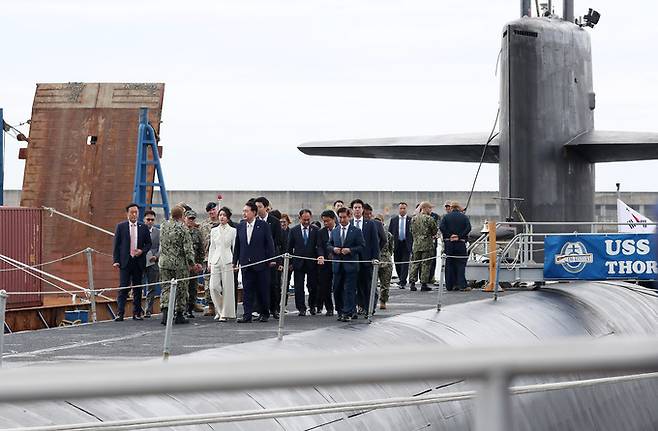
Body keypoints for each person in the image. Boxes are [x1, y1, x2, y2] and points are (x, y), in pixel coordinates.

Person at [233, 201, 277, 323]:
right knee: (247, 290)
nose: (244, 213)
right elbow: (238, 245)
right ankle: (247, 315)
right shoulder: (241, 226)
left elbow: (269, 243)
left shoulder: (263, 225)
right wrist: (235, 261)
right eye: (243, 211)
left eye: (246, 211)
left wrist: (272, 259)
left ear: (253, 212)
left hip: (261, 264)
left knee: (262, 290)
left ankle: (264, 313)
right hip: (246, 264)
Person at [158, 206, 198, 325]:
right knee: (181, 289)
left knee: (166, 288)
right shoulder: (182, 228)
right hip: (179, 265)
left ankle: (165, 315)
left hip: (164, 263)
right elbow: (188, 249)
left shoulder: (163, 226)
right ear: (182, 216)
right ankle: (179, 314)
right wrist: (192, 263)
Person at [112, 203, 152, 322]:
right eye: (132, 212)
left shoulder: (143, 227)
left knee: (138, 288)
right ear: (127, 214)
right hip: (125, 261)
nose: (134, 214)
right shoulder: (121, 226)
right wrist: (116, 260)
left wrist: (142, 251)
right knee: (123, 287)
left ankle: (137, 313)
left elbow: (148, 244)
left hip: (138, 262)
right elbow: (116, 245)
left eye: (136, 212)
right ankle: (120, 313)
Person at [327, 207, 364, 322]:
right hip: (337, 265)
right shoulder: (335, 231)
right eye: (340, 217)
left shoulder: (356, 231)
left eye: (344, 217)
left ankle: (347, 312)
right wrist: (334, 249)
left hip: (351, 265)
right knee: (337, 288)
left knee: (349, 290)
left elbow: (362, 246)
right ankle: (340, 310)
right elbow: (328, 245)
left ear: (349, 217)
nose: (342, 220)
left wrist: (350, 250)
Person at [254, 196, 284, 319]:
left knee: (273, 284)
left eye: (260, 207)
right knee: (259, 285)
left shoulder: (275, 221)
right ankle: (260, 310)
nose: (258, 209)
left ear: (266, 207)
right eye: (256, 207)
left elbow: (278, 241)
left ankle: (274, 309)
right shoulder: (254, 221)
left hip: (271, 258)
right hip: (258, 259)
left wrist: (277, 260)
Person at [350, 199, 380, 317]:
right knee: (354, 286)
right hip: (353, 260)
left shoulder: (370, 224)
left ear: (362, 209)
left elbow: (375, 243)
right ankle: (357, 307)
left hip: (367, 260)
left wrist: (375, 258)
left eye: (359, 207)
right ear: (352, 210)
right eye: (355, 207)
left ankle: (369, 308)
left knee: (368, 285)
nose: (357, 209)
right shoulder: (349, 223)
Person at [287, 209, 320, 316]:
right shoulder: (294, 230)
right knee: (298, 287)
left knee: (313, 286)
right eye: (304, 219)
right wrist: (290, 263)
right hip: (298, 263)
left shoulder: (315, 230)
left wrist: (320, 256)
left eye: (308, 220)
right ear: (300, 218)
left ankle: (312, 305)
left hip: (312, 263)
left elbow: (318, 246)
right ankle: (301, 308)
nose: (306, 222)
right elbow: (289, 248)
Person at [208, 206, 237, 321]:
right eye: (220, 215)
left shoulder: (233, 231)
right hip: (215, 260)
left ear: (228, 218)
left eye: (224, 215)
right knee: (213, 287)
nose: (222, 217)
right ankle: (219, 310)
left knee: (228, 288)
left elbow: (235, 248)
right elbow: (212, 247)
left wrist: (236, 262)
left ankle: (225, 313)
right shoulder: (213, 231)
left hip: (228, 260)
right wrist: (210, 262)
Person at [440, 201, 472, 291]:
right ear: (458, 207)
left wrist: (450, 235)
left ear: (451, 207)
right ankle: (462, 285)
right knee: (461, 264)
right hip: (460, 243)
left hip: (449, 244)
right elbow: (468, 228)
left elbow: (441, 227)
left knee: (449, 264)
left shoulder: (446, 217)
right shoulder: (464, 217)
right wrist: (459, 236)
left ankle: (450, 285)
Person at [408, 201, 438, 292]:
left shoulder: (413, 219)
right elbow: (434, 231)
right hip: (427, 245)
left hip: (416, 244)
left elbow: (411, 230)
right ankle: (423, 284)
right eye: (430, 208)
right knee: (426, 264)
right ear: (425, 208)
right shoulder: (429, 219)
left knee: (415, 263)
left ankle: (412, 283)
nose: (431, 210)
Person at [200, 201, 221, 317]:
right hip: (207, 258)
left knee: (219, 284)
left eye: (214, 209)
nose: (212, 212)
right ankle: (211, 307)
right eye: (210, 210)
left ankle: (220, 307)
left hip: (220, 257)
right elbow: (201, 243)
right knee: (208, 284)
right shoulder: (204, 225)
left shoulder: (222, 222)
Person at [184, 210, 204, 318]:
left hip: (194, 266)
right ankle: (182, 308)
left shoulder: (197, 233)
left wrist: (199, 263)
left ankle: (190, 309)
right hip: (183, 265)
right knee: (183, 288)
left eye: (193, 219)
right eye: (189, 218)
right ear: (185, 219)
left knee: (192, 288)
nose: (191, 221)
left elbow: (201, 250)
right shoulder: (181, 231)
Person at [316, 210, 336, 315]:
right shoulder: (321, 232)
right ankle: (329, 308)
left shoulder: (339, 230)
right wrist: (321, 255)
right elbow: (319, 246)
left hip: (338, 262)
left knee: (338, 286)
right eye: (324, 221)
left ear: (333, 219)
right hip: (325, 264)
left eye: (327, 221)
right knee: (325, 286)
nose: (325, 223)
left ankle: (341, 307)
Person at [388, 202, 413, 289]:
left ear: (406, 209)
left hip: (406, 244)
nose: (402, 210)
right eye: (401, 208)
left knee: (405, 263)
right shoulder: (394, 220)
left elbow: (412, 233)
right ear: (398, 209)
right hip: (397, 244)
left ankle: (403, 281)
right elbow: (390, 233)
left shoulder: (411, 220)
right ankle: (400, 278)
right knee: (397, 263)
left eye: (404, 208)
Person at [143, 210, 160, 318]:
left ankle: (148, 310)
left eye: (152, 220)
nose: (150, 221)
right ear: (144, 220)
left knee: (152, 287)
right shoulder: (139, 231)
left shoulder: (158, 232)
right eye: (148, 219)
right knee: (137, 286)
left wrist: (156, 256)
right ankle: (137, 309)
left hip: (153, 262)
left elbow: (161, 247)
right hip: (139, 262)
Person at [375, 214, 394, 310]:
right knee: (373, 284)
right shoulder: (372, 233)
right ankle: (373, 302)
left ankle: (383, 301)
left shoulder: (389, 235)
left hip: (385, 260)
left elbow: (391, 248)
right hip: (377, 260)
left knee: (385, 283)